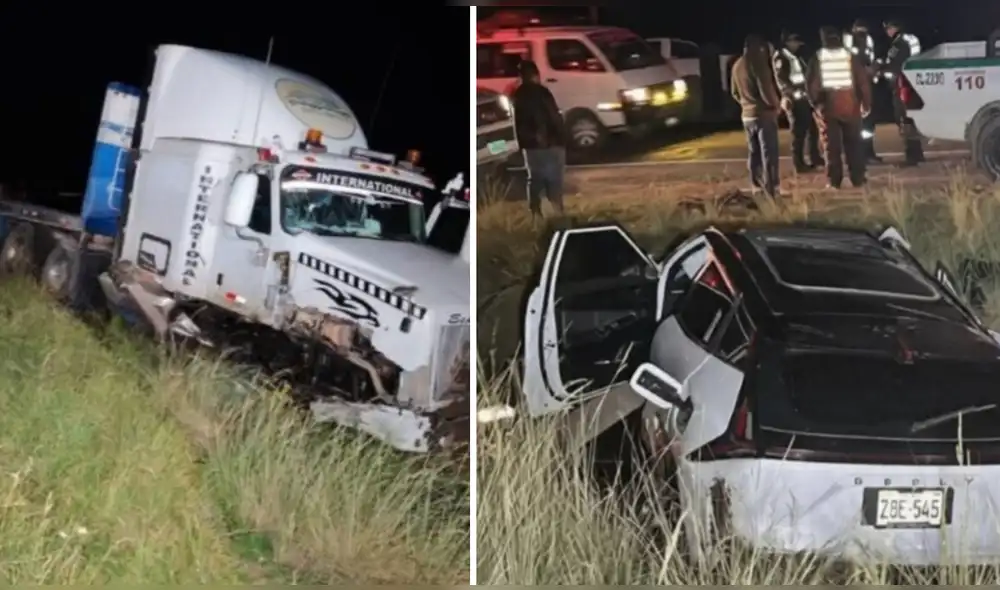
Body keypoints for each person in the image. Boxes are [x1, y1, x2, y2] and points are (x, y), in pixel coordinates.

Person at [805, 26, 873, 189]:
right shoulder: (850, 56)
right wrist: (866, 103)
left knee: (831, 146)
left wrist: (816, 105)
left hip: (828, 107)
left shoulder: (817, 57)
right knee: (854, 143)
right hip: (850, 104)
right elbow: (863, 81)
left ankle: (834, 181)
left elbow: (810, 85)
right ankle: (858, 178)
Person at [510, 59, 567, 218]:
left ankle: (535, 212)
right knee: (554, 179)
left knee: (535, 178)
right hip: (550, 142)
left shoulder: (518, 95)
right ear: (536, 74)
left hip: (530, 145)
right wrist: (561, 135)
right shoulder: (542, 92)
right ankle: (557, 212)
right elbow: (552, 116)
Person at [731, 34, 783, 198]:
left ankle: (756, 184)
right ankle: (772, 187)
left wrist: (746, 104)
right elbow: (766, 90)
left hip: (746, 116)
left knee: (754, 152)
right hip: (763, 115)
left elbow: (734, 92)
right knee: (769, 152)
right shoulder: (758, 63)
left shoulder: (737, 65)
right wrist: (776, 105)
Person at [773, 31, 823, 173]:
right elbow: (781, 80)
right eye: (795, 43)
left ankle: (815, 157)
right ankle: (799, 164)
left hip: (804, 97)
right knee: (798, 132)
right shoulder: (781, 57)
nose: (797, 46)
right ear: (787, 42)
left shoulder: (796, 56)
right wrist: (793, 92)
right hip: (794, 99)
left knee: (813, 128)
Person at [879, 19, 926, 167]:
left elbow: (894, 65)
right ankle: (918, 153)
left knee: (904, 119)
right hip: (913, 83)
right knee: (911, 119)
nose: (887, 32)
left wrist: (880, 68)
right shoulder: (912, 39)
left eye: (888, 29)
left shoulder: (898, 44)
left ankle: (911, 156)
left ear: (894, 28)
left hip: (902, 85)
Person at [844, 20, 881, 164]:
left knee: (869, 124)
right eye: (859, 30)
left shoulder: (868, 40)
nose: (862, 33)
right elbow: (851, 63)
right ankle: (859, 155)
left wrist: (873, 68)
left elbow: (869, 58)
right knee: (857, 124)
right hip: (854, 87)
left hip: (866, 85)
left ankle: (868, 153)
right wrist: (864, 71)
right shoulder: (848, 41)